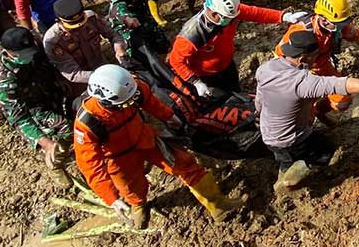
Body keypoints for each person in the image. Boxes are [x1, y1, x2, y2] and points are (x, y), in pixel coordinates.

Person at [74, 64, 240, 228]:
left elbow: (151, 102)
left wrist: (170, 117)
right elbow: (89, 165)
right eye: (125, 104)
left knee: (185, 163)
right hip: (118, 158)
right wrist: (112, 198)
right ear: (107, 102)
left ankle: (219, 206)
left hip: (145, 138)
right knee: (132, 188)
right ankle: (138, 205)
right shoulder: (88, 123)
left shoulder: (134, 88)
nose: (130, 105)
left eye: (132, 101)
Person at [257, 30, 359, 192]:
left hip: (268, 135)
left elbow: (259, 102)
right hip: (292, 139)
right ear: (303, 59)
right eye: (315, 55)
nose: (318, 58)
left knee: (285, 160)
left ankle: (284, 174)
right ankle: (290, 182)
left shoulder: (266, 68)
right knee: (325, 151)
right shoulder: (302, 83)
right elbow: (339, 85)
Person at [168, 0, 301, 100]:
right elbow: (176, 61)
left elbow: (255, 13)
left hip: (227, 66)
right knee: (218, 102)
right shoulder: (192, 35)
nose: (233, 21)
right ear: (214, 14)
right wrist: (195, 82)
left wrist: (283, 16)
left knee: (236, 93)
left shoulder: (229, 14)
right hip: (206, 76)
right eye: (228, 19)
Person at [274, 0, 359, 117]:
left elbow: (357, 36)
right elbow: (279, 57)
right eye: (338, 24)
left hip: (322, 66)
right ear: (323, 19)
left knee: (342, 102)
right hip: (299, 72)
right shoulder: (302, 31)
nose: (341, 27)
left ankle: (318, 111)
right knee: (298, 107)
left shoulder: (336, 25)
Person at [0, 27, 79, 187]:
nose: (30, 56)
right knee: (66, 129)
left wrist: (63, 82)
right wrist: (45, 143)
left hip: (52, 91)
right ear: (8, 53)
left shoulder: (34, 43)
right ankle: (55, 164)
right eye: (24, 55)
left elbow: (50, 63)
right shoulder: (4, 79)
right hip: (35, 108)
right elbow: (18, 117)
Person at [44, 0, 128, 86]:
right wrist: (102, 76)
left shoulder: (91, 18)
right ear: (59, 21)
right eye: (73, 27)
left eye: (82, 23)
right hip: (81, 81)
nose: (80, 27)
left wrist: (119, 47)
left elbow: (113, 34)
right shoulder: (53, 41)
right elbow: (72, 73)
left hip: (101, 65)